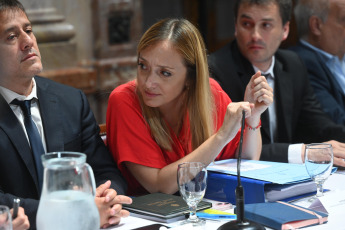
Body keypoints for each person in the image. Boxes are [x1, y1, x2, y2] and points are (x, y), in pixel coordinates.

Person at [0, 0, 131, 229]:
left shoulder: (71, 101)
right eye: (11, 37)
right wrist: (72, 214)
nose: (28, 41)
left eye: (28, 30)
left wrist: (108, 197)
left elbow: (105, 171)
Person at [106, 18, 273, 195]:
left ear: (190, 78)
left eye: (164, 73)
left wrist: (253, 117)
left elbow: (247, 158)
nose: (148, 83)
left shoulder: (211, 93)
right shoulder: (124, 99)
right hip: (148, 216)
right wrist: (221, 136)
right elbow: (158, 185)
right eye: (143, 66)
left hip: (201, 207)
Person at [208, 0, 345, 166]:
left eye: (266, 25)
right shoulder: (215, 72)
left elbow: (319, 126)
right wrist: (301, 152)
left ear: (285, 30)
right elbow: (233, 150)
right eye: (246, 24)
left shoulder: (292, 64)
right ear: (236, 27)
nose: (255, 35)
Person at [291, 0, 345, 125]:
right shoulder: (301, 63)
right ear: (316, 26)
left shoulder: (338, 57)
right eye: (344, 19)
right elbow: (335, 121)